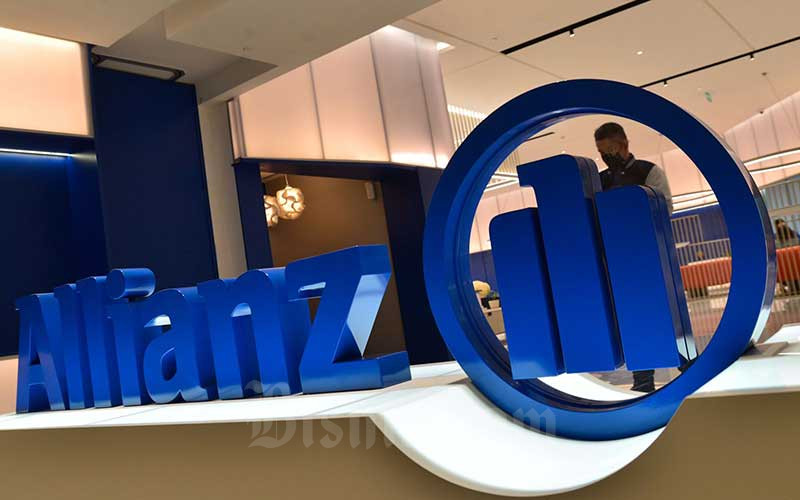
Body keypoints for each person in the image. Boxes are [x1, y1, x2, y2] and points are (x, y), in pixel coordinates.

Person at [594, 122, 673, 393]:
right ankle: (642, 379)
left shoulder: (648, 172)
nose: (606, 156)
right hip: (618, 261)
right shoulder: (601, 182)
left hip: (650, 257)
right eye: (601, 152)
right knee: (631, 318)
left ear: (624, 143)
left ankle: (688, 364)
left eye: (610, 149)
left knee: (664, 313)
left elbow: (665, 209)